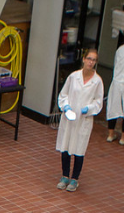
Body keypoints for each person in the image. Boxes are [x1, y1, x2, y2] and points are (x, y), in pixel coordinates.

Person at [54, 48, 104, 192]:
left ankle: (75, 179)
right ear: (83, 59)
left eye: (94, 60)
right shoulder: (73, 77)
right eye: (89, 58)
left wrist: (88, 109)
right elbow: (64, 95)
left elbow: (98, 102)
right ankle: (64, 176)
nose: (90, 62)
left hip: (83, 120)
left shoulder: (97, 81)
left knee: (79, 149)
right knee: (66, 147)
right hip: (69, 118)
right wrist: (66, 106)